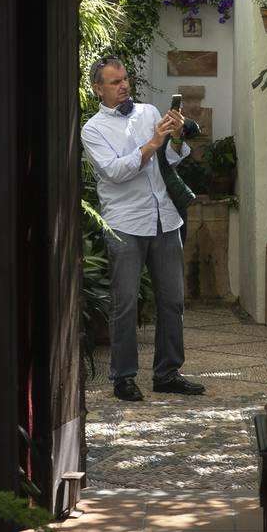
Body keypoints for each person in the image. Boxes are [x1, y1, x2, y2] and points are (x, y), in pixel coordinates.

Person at [81, 55, 206, 402]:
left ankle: (167, 373)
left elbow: (170, 160)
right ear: (98, 88)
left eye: (124, 79)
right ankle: (123, 378)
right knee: (124, 304)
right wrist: (151, 143)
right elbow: (115, 172)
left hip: (164, 218)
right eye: (114, 82)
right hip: (125, 224)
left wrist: (176, 139)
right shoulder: (92, 129)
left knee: (172, 301)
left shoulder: (150, 113)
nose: (123, 86)